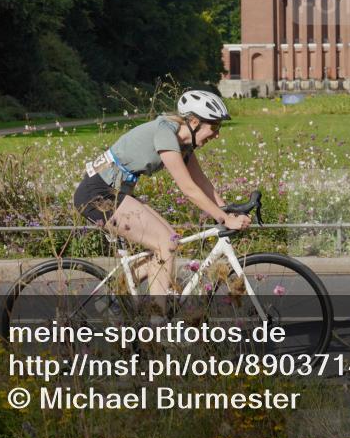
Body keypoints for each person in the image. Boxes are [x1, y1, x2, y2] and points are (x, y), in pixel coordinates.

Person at [72, 90, 250, 296]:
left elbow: (202, 183)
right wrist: (224, 219)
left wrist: (227, 211)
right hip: (97, 193)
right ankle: (157, 320)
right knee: (164, 243)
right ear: (194, 122)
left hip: (114, 191)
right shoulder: (166, 134)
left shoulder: (183, 143)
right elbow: (188, 189)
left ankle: (114, 295)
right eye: (214, 126)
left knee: (171, 242)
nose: (217, 134)